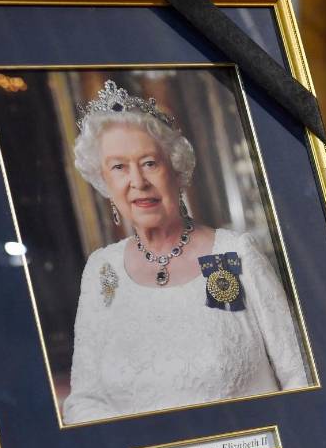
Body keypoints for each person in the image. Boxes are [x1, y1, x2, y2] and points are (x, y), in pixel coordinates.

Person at [62, 80, 309, 425]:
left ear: (176, 171)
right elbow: (84, 400)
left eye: (149, 163)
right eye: (118, 167)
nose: (137, 181)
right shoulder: (102, 270)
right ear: (104, 183)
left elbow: (298, 376)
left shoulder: (232, 254)